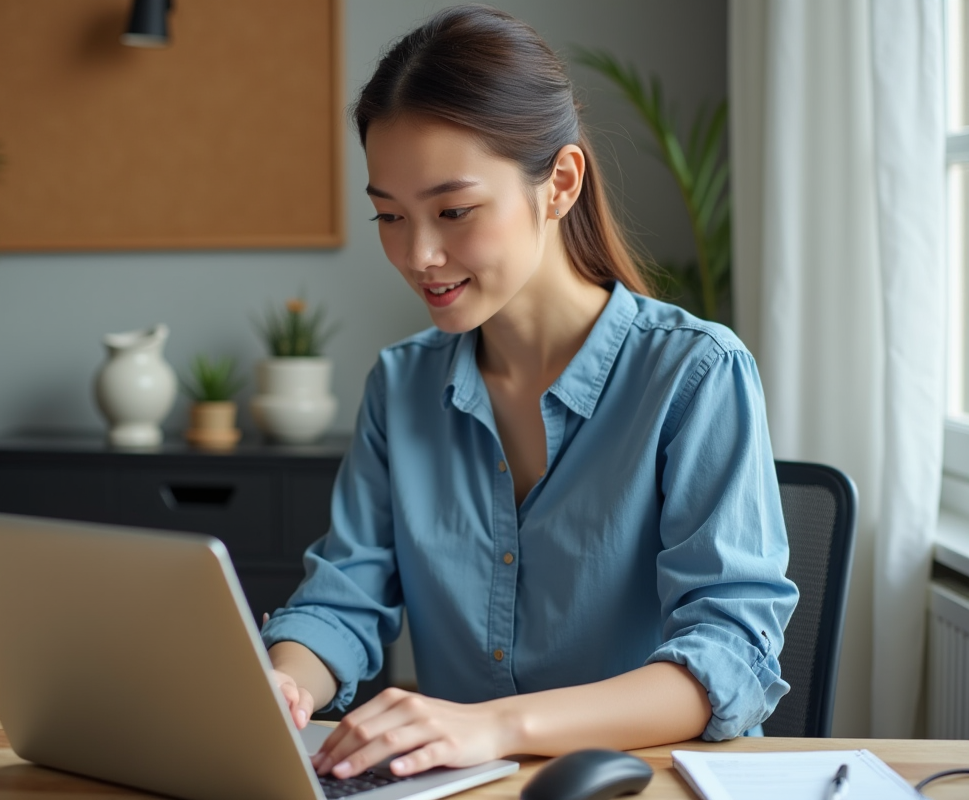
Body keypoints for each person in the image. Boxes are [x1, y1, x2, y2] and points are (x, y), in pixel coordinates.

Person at [260, 4, 799, 782]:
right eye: (389, 216)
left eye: (454, 211)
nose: (418, 254)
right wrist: (285, 685)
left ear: (560, 184)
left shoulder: (695, 374)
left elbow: (728, 654)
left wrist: (495, 726)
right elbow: (342, 601)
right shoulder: (401, 385)